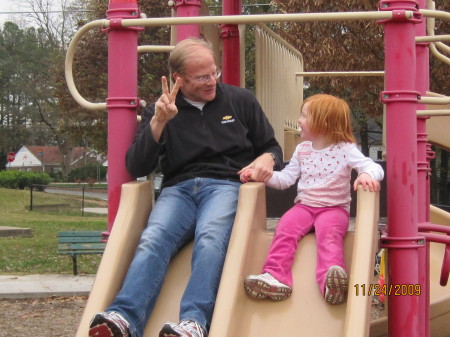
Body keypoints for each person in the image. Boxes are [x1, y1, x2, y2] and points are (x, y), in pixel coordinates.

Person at [88, 38, 282, 337]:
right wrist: (158, 124)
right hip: (178, 188)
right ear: (179, 78)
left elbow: (271, 147)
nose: (212, 82)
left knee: (210, 236)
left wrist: (267, 159)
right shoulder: (162, 109)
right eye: (202, 77)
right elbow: (137, 166)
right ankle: (124, 318)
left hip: (225, 184)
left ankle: (193, 321)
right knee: (154, 238)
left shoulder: (240, 100)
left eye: (214, 73)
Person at [240, 94, 384, 305]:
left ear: (323, 123)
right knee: (285, 228)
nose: (299, 120)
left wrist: (366, 175)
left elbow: (374, 167)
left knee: (328, 235)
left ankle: (330, 282)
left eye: (305, 116)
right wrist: (261, 175)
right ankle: (274, 276)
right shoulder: (302, 150)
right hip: (305, 207)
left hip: (334, 209)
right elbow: (286, 179)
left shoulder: (345, 149)